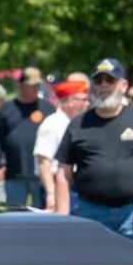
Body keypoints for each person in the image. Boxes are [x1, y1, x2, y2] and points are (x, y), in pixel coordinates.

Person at [55, 58, 133, 252]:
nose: (104, 86)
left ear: (123, 85)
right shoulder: (78, 124)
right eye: (98, 81)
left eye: (110, 80)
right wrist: (63, 212)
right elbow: (63, 174)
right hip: (91, 213)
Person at [0, 67, 55, 206]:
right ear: (20, 85)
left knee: (43, 214)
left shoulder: (48, 109)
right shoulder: (7, 108)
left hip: (42, 173)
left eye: (37, 85)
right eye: (31, 86)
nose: (35, 89)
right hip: (14, 172)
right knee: (14, 214)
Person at [35, 80, 89, 211]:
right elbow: (43, 162)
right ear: (70, 102)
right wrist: (51, 193)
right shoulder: (52, 124)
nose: (87, 104)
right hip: (57, 185)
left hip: (75, 187)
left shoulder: (78, 123)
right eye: (83, 100)